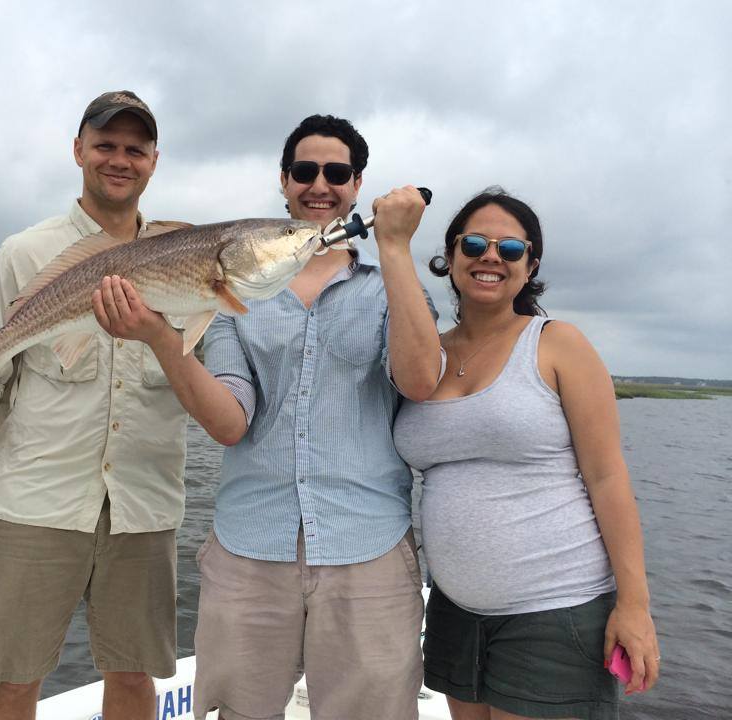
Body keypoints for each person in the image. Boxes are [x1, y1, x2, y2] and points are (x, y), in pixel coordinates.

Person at [90, 114, 443, 720]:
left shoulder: (392, 281)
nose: (320, 185)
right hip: (250, 544)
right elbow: (230, 422)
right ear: (284, 181)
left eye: (337, 173)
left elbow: (419, 380)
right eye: (305, 171)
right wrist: (156, 336)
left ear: (358, 185)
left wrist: (395, 249)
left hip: (369, 546)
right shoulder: (230, 292)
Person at [0, 90, 190, 720]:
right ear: (78, 150)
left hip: (142, 506)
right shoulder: (23, 254)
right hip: (34, 504)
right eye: (106, 144)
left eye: (134, 149)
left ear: (154, 161)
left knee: (136, 677)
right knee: (10, 682)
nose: (120, 159)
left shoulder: (187, 257)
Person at [393, 188, 660, 720]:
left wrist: (635, 605)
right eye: (474, 243)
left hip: (554, 611)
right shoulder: (425, 353)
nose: (491, 256)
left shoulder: (559, 343)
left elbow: (607, 477)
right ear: (450, 256)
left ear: (529, 264)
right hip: (453, 612)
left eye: (510, 249)